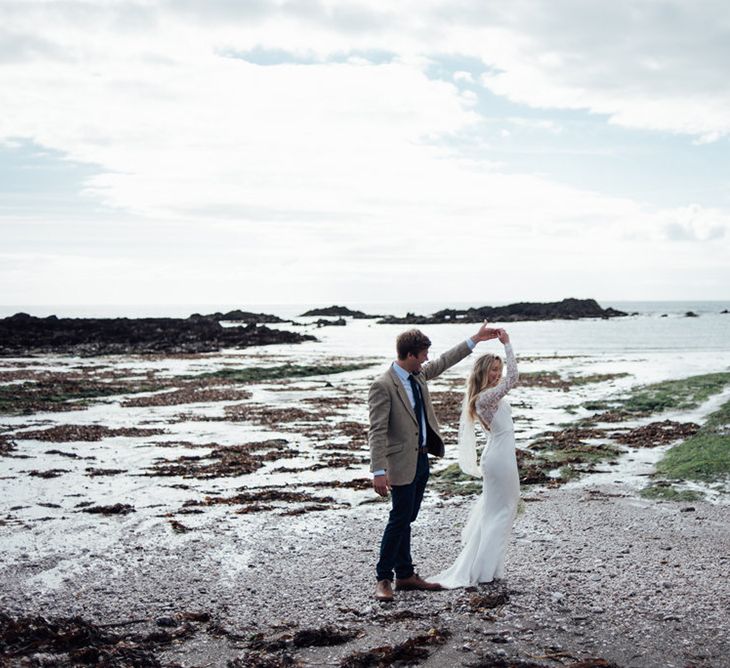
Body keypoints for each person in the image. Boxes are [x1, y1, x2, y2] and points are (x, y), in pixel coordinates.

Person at [369, 321, 499, 602]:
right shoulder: (383, 385)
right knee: (398, 519)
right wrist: (378, 471)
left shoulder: (418, 376)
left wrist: (474, 339)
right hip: (400, 463)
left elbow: (444, 361)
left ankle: (405, 575)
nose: (428, 358)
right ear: (411, 355)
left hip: (422, 459)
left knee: (407, 518)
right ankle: (383, 578)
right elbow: (376, 430)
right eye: (424, 354)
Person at [428, 328, 519, 589]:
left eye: (498, 370)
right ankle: (483, 571)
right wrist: (507, 345)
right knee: (500, 512)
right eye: (492, 370)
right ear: (481, 372)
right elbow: (513, 378)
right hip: (498, 458)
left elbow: (508, 379)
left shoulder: (488, 395)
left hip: (501, 456)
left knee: (500, 510)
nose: (497, 374)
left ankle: (489, 568)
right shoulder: (484, 398)